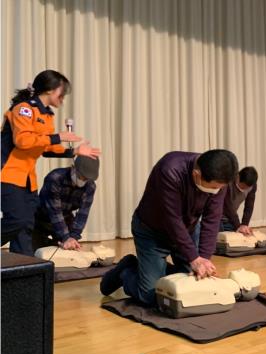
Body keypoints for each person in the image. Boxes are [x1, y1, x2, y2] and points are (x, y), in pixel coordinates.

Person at [100, 150, 238, 306]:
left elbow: (212, 219)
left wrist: (204, 258)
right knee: (151, 296)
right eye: (214, 187)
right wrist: (193, 257)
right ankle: (127, 269)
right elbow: (172, 219)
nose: (217, 190)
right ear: (196, 174)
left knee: (194, 285)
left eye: (220, 187)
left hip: (187, 231)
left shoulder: (219, 178)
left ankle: (152, 269)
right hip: (152, 232)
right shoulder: (170, 169)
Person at [1, 70, 101, 255]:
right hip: (7, 174)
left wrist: (75, 151)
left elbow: (46, 148)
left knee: (26, 228)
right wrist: (58, 136)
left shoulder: (47, 115)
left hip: (28, 179)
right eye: (61, 92)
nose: (63, 97)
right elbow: (23, 141)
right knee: (17, 220)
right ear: (49, 90)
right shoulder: (24, 109)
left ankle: (21, 272)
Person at [32, 156, 100, 250]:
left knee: (68, 250)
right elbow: (55, 212)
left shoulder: (90, 186)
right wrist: (65, 237)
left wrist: (73, 237)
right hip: (40, 219)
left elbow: (83, 214)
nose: (83, 181)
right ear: (73, 168)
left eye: (86, 179)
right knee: (33, 253)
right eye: (81, 177)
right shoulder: (55, 178)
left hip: (65, 219)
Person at [221, 166, 258, 236]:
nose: (244, 189)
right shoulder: (228, 181)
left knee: (242, 234)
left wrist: (244, 225)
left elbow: (249, 206)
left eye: (247, 188)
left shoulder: (252, 186)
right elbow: (227, 206)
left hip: (229, 221)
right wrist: (238, 226)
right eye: (243, 186)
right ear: (238, 177)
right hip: (218, 218)